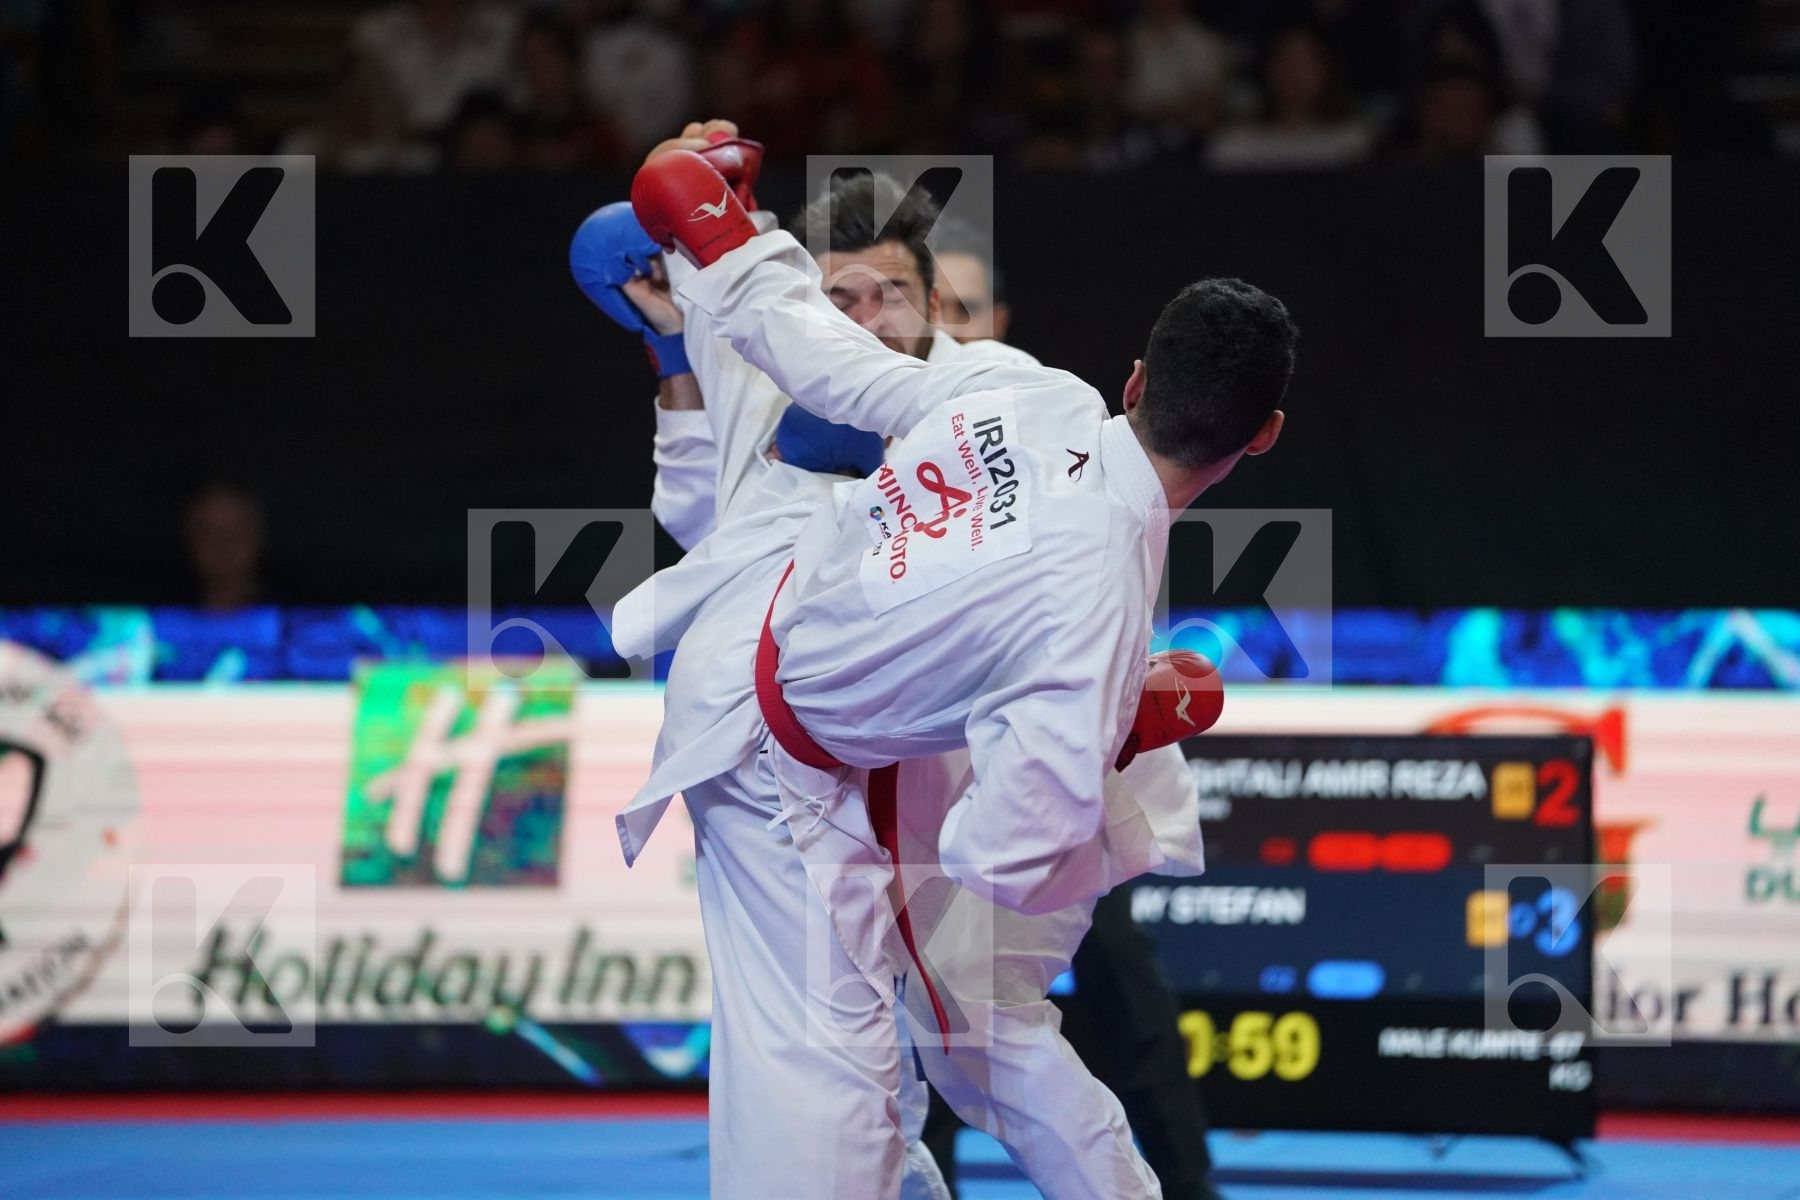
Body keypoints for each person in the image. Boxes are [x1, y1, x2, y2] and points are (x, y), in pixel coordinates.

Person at [614, 120, 1294, 1200]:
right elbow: (1001, 855)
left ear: (1132, 378)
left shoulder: (1038, 394)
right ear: (1261, 437)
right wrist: (1064, 730)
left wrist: (727, 243)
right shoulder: (1093, 606)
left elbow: (812, 352)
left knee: (936, 1044)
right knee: (842, 1096)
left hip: (797, 697)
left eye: (887, 293)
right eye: (851, 292)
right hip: (780, 746)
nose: (867, 316)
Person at [913, 240, 1226, 1200]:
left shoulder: (1055, 433)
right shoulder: (890, 439)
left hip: (1069, 767)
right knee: (934, 1008)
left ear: (999, 323)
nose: (939, 327)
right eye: (931, 308)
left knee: (1099, 998)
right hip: (935, 770)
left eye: (962, 308)